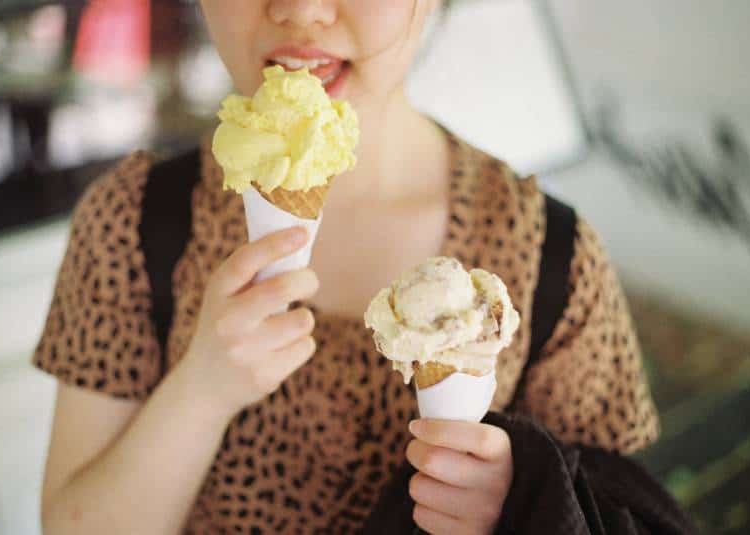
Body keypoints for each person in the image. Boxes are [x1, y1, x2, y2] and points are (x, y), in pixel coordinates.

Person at [34, 2, 686, 534]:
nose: (299, 10)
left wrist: (526, 499)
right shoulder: (133, 220)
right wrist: (201, 391)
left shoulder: (553, 256)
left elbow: (626, 509)